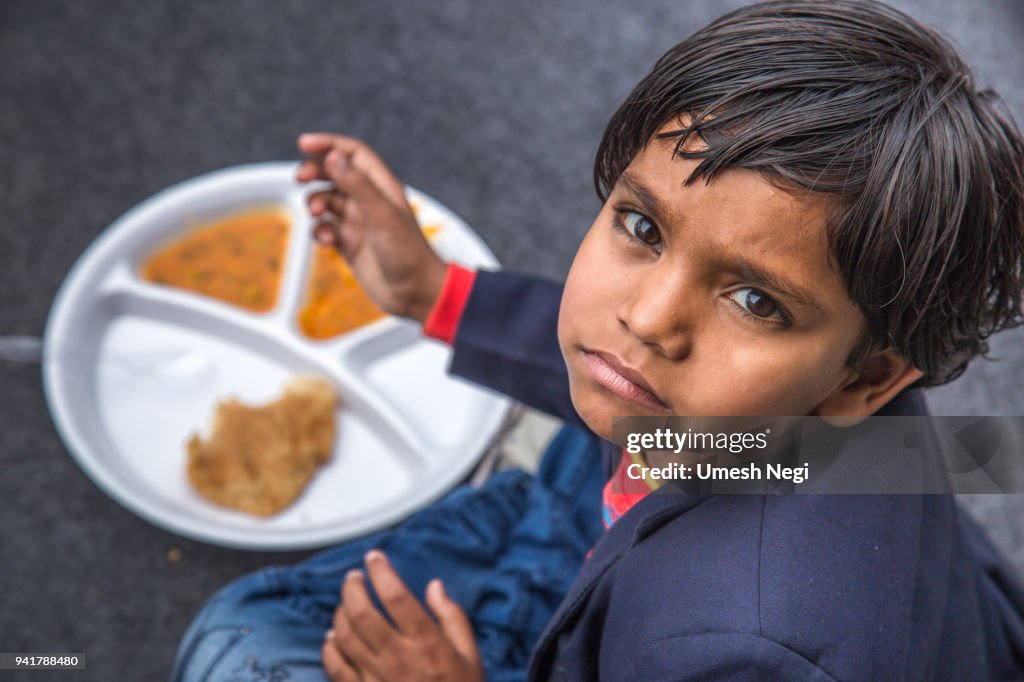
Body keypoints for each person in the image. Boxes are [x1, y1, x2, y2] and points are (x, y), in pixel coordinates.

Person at [172, 1, 1024, 679]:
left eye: (757, 301)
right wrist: (437, 294)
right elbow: (974, 453)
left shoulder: (741, 649)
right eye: (644, 226)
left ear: (868, 379)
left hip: (669, 621)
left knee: (237, 639)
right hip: (716, 560)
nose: (649, 318)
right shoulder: (831, 403)